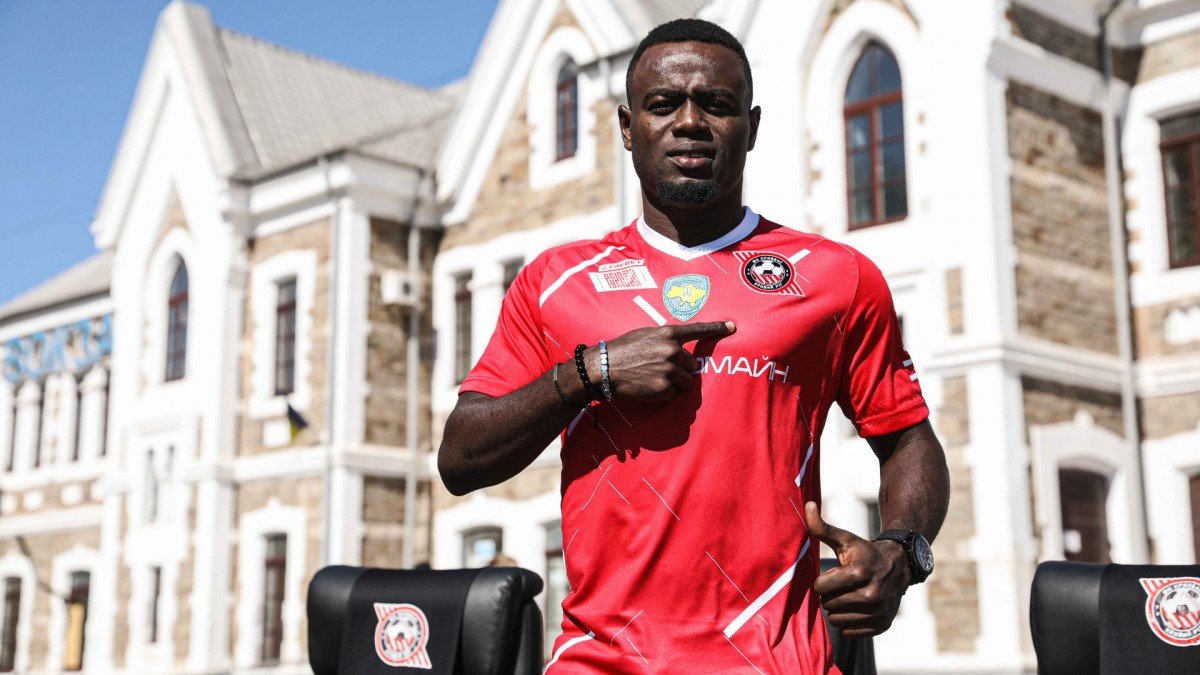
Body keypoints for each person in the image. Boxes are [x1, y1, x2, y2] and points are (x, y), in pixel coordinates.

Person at [438, 18, 950, 673]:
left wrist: (903, 552)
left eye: (716, 104)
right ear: (628, 128)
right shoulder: (554, 281)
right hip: (599, 662)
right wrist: (590, 373)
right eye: (663, 104)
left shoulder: (836, 277)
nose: (689, 122)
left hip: (777, 662)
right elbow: (460, 458)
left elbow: (908, 439)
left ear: (751, 127)